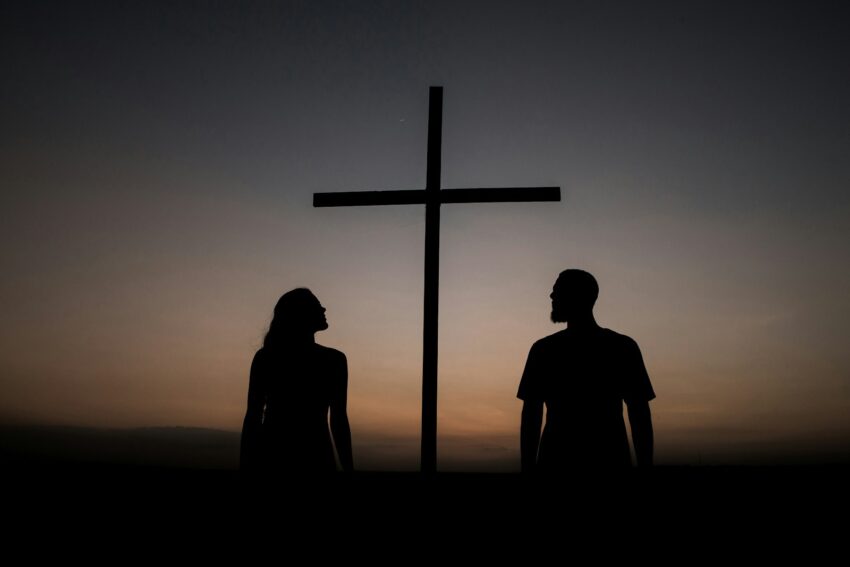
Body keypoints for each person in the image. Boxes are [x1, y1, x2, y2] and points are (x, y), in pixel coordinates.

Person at [518, 269, 655, 471]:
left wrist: (527, 470)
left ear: (579, 296)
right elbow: (531, 413)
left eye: (558, 290)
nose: (551, 296)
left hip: (566, 464)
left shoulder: (545, 350)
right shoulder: (622, 347)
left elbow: (639, 413)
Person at [241, 288, 354, 474]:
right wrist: (349, 469)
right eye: (317, 305)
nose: (324, 309)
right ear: (301, 314)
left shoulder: (266, 357)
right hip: (316, 459)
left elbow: (253, 418)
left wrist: (245, 467)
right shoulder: (334, 360)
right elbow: (338, 420)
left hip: (273, 458)